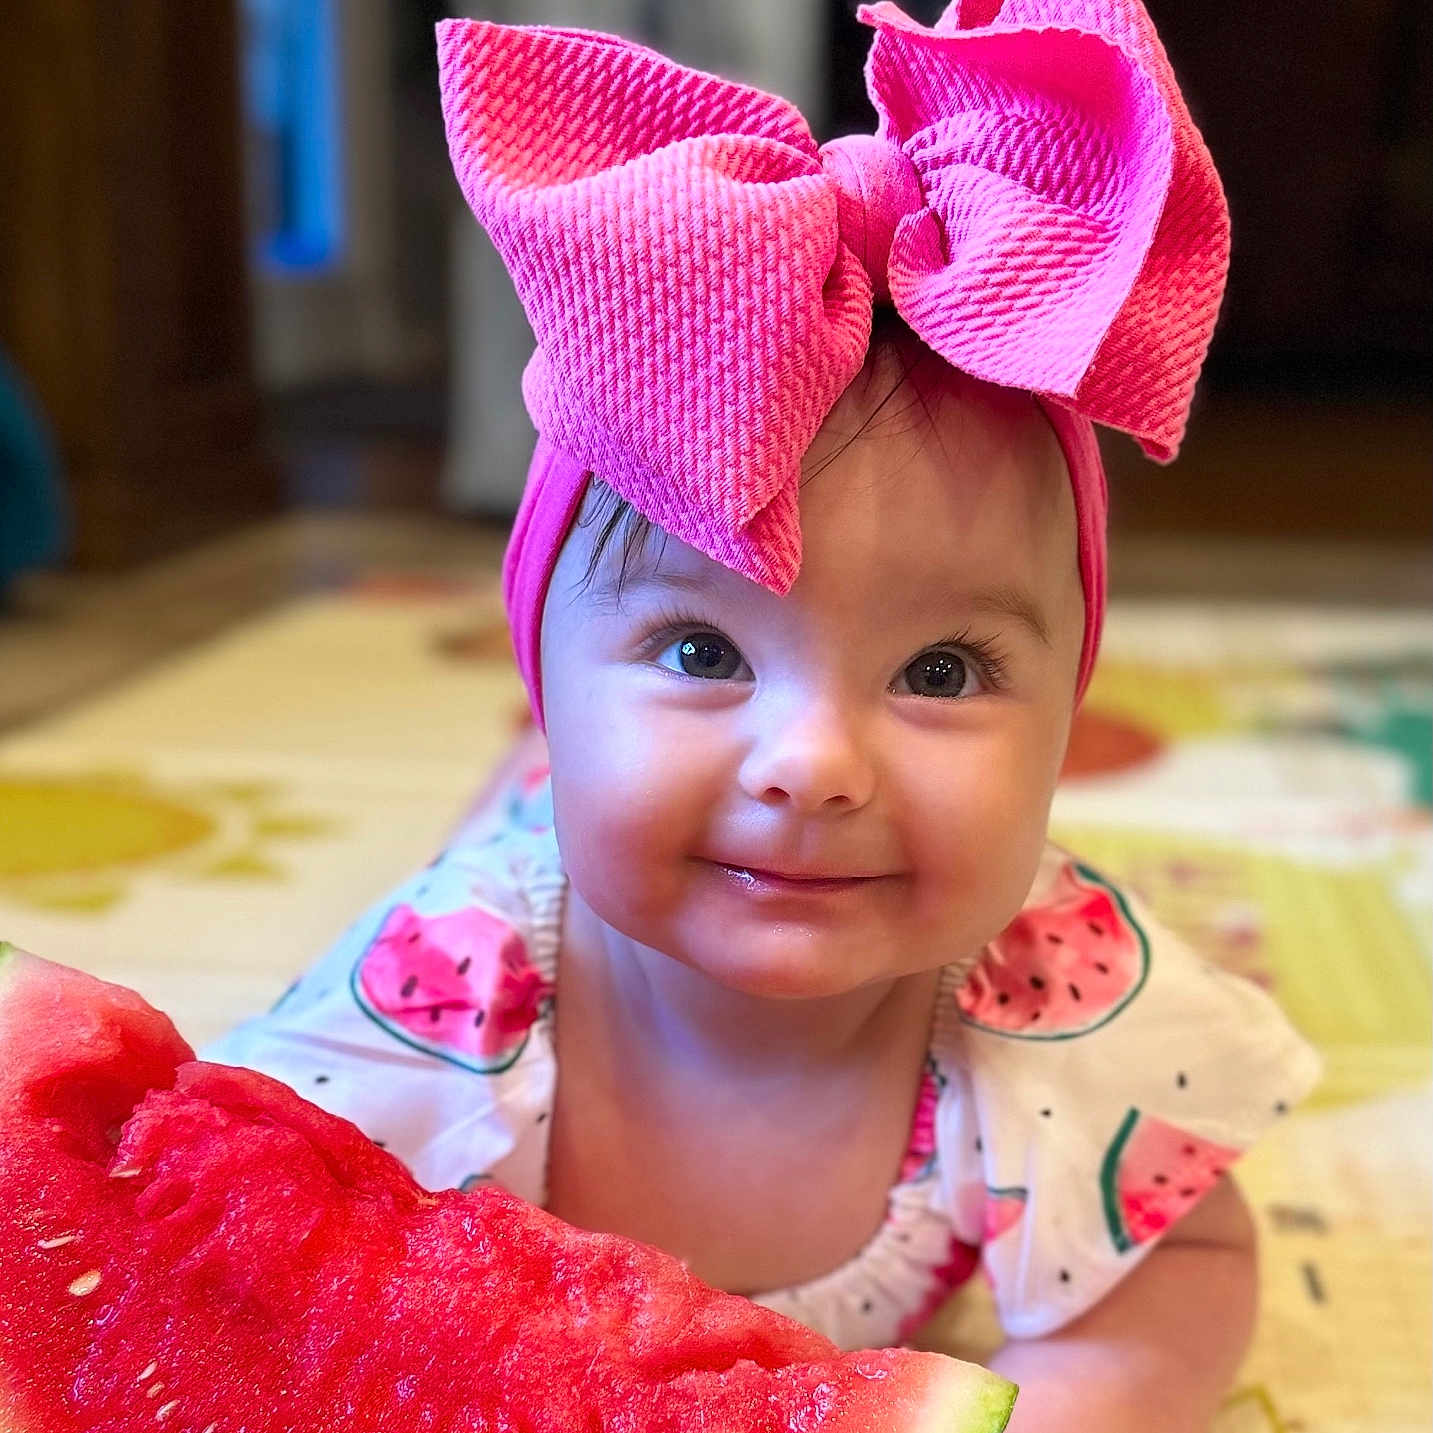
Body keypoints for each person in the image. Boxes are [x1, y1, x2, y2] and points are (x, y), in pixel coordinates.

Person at [203, 3, 1321, 1427]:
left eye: (941, 672)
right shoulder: (446, 979)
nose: (809, 764)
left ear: (1066, 715)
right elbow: (241, 1219)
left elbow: (1175, 1269)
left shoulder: (1057, 999)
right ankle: (530, 779)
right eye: (696, 645)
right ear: (545, 664)